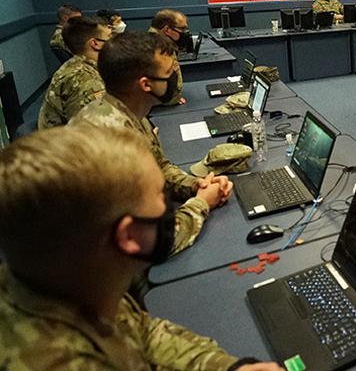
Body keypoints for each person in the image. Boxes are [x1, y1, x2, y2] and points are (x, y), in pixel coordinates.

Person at [0, 125, 281, 370]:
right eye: (161, 196)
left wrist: (228, 368)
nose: (168, 206)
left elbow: (139, 334)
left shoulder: (75, 283)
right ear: (129, 236)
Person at [72, 32, 233, 257]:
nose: (176, 75)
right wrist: (202, 203)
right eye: (169, 73)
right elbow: (153, 241)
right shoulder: (111, 141)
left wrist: (196, 185)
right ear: (146, 84)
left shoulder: (127, 112)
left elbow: (160, 169)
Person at [38, 16, 110, 129]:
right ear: (95, 43)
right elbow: (91, 132)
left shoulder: (75, 64)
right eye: (110, 38)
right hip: (65, 143)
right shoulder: (84, 79)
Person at [149, 9, 190, 106]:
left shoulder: (162, 43)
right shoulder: (157, 49)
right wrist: (172, 98)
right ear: (167, 30)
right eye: (182, 29)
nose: (186, 32)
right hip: (160, 107)